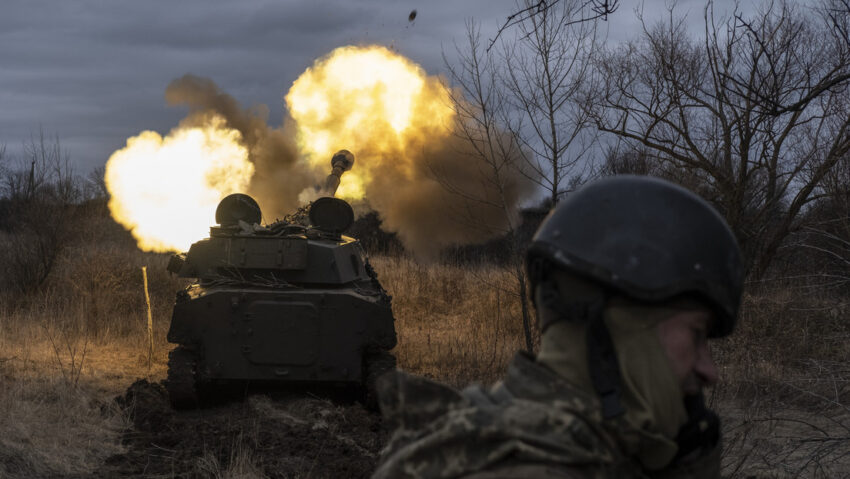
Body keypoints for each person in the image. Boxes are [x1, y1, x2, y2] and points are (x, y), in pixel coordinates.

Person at [372, 175, 744, 479]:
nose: (708, 370)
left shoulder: (582, 449)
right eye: (696, 334)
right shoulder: (524, 466)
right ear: (616, 326)